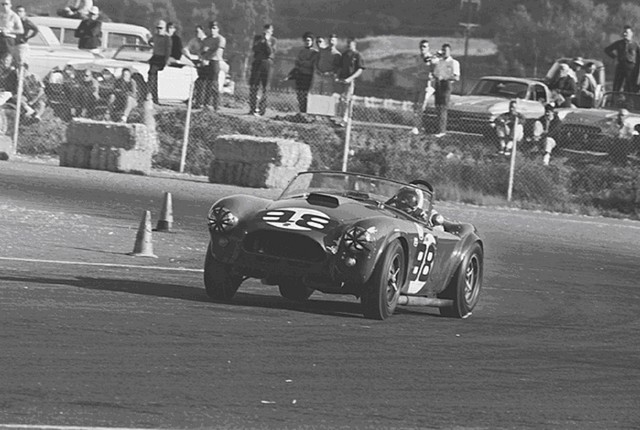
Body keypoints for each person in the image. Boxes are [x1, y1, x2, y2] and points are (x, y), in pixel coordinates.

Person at [335, 37, 365, 126]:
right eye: (347, 43)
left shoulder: (357, 55)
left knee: (346, 100)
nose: (348, 45)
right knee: (339, 99)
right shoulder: (344, 55)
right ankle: (337, 117)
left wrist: (350, 78)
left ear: (354, 44)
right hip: (341, 80)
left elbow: (360, 69)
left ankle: (345, 119)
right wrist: (337, 77)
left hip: (349, 81)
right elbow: (340, 67)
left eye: (350, 43)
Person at [248, 23, 276, 116]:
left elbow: (270, 52)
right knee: (254, 86)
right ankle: (252, 108)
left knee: (265, 88)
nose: (266, 32)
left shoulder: (273, 40)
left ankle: (262, 109)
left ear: (271, 32)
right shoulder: (257, 38)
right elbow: (254, 49)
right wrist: (262, 40)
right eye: (265, 30)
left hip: (267, 64)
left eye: (269, 31)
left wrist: (267, 41)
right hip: (257, 62)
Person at [432, 43, 459, 137]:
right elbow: (434, 72)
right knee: (438, 107)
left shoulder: (454, 62)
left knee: (443, 108)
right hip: (438, 84)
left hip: (446, 85)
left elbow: (456, 77)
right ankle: (438, 128)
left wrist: (445, 77)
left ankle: (442, 131)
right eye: (443, 50)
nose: (444, 52)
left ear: (449, 51)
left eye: (446, 50)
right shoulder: (439, 61)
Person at [412, 39, 438, 134]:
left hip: (427, 83)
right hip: (418, 82)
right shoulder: (418, 58)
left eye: (424, 46)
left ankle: (418, 127)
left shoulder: (432, 58)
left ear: (428, 48)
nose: (422, 48)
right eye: (421, 46)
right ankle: (417, 126)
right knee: (415, 105)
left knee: (421, 105)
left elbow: (435, 71)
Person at [604, 25, 640, 93]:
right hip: (620, 67)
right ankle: (614, 101)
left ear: (631, 33)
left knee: (630, 87)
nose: (624, 34)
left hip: (631, 69)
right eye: (624, 32)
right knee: (617, 86)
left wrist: (637, 70)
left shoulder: (636, 45)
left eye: (626, 32)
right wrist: (614, 57)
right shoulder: (619, 43)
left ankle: (629, 102)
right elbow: (607, 50)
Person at [200, 21, 226, 111]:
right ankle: (205, 103)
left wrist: (208, 54)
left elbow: (217, 51)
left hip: (214, 61)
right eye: (211, 28)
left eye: (214, 28)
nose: (212, 30)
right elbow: (202, 51)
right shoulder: (206, 40)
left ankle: (216, 105)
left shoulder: (220, 39)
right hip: (206, 62)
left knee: (214, 83)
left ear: (217, 29)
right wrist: (203, 57)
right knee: (206, 83)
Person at [291, 31, 317, 113]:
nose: (307, 42)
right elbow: (297, 62)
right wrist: (303, 63)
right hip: (300, 74)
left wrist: (303, 62)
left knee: (305, 95)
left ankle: (306, 111)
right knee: (299, 94)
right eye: (305, 40)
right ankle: (301, 111)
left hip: (308, 75)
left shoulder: (314, 52)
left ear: (312, 41)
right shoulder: (301, 51)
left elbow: (310, 63)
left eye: (309, 40)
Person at [147, 19, 172, 105]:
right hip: (155, 56)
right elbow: (149, 41)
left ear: (164, 28)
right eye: (157, 28)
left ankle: (150, 94)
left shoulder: (167, 37)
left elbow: (168, 50)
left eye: (161, 28)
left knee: (152, 73)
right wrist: (153, 46)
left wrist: (166, 61)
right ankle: (153, 97)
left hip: (162, 57)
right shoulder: (155, 36)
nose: (159, 30)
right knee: (152, 76)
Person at [182, 25, 207, 108]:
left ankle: (199, 101)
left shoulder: (207, 40)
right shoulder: (194, 40)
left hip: (207, 63)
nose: (196, 33)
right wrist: (191, 58)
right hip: (199, 62)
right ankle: (196, 100)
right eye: (195, 32)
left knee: (202, 82)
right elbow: (185, 49)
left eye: (198, 31)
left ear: (202, 31)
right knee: (199, 81)